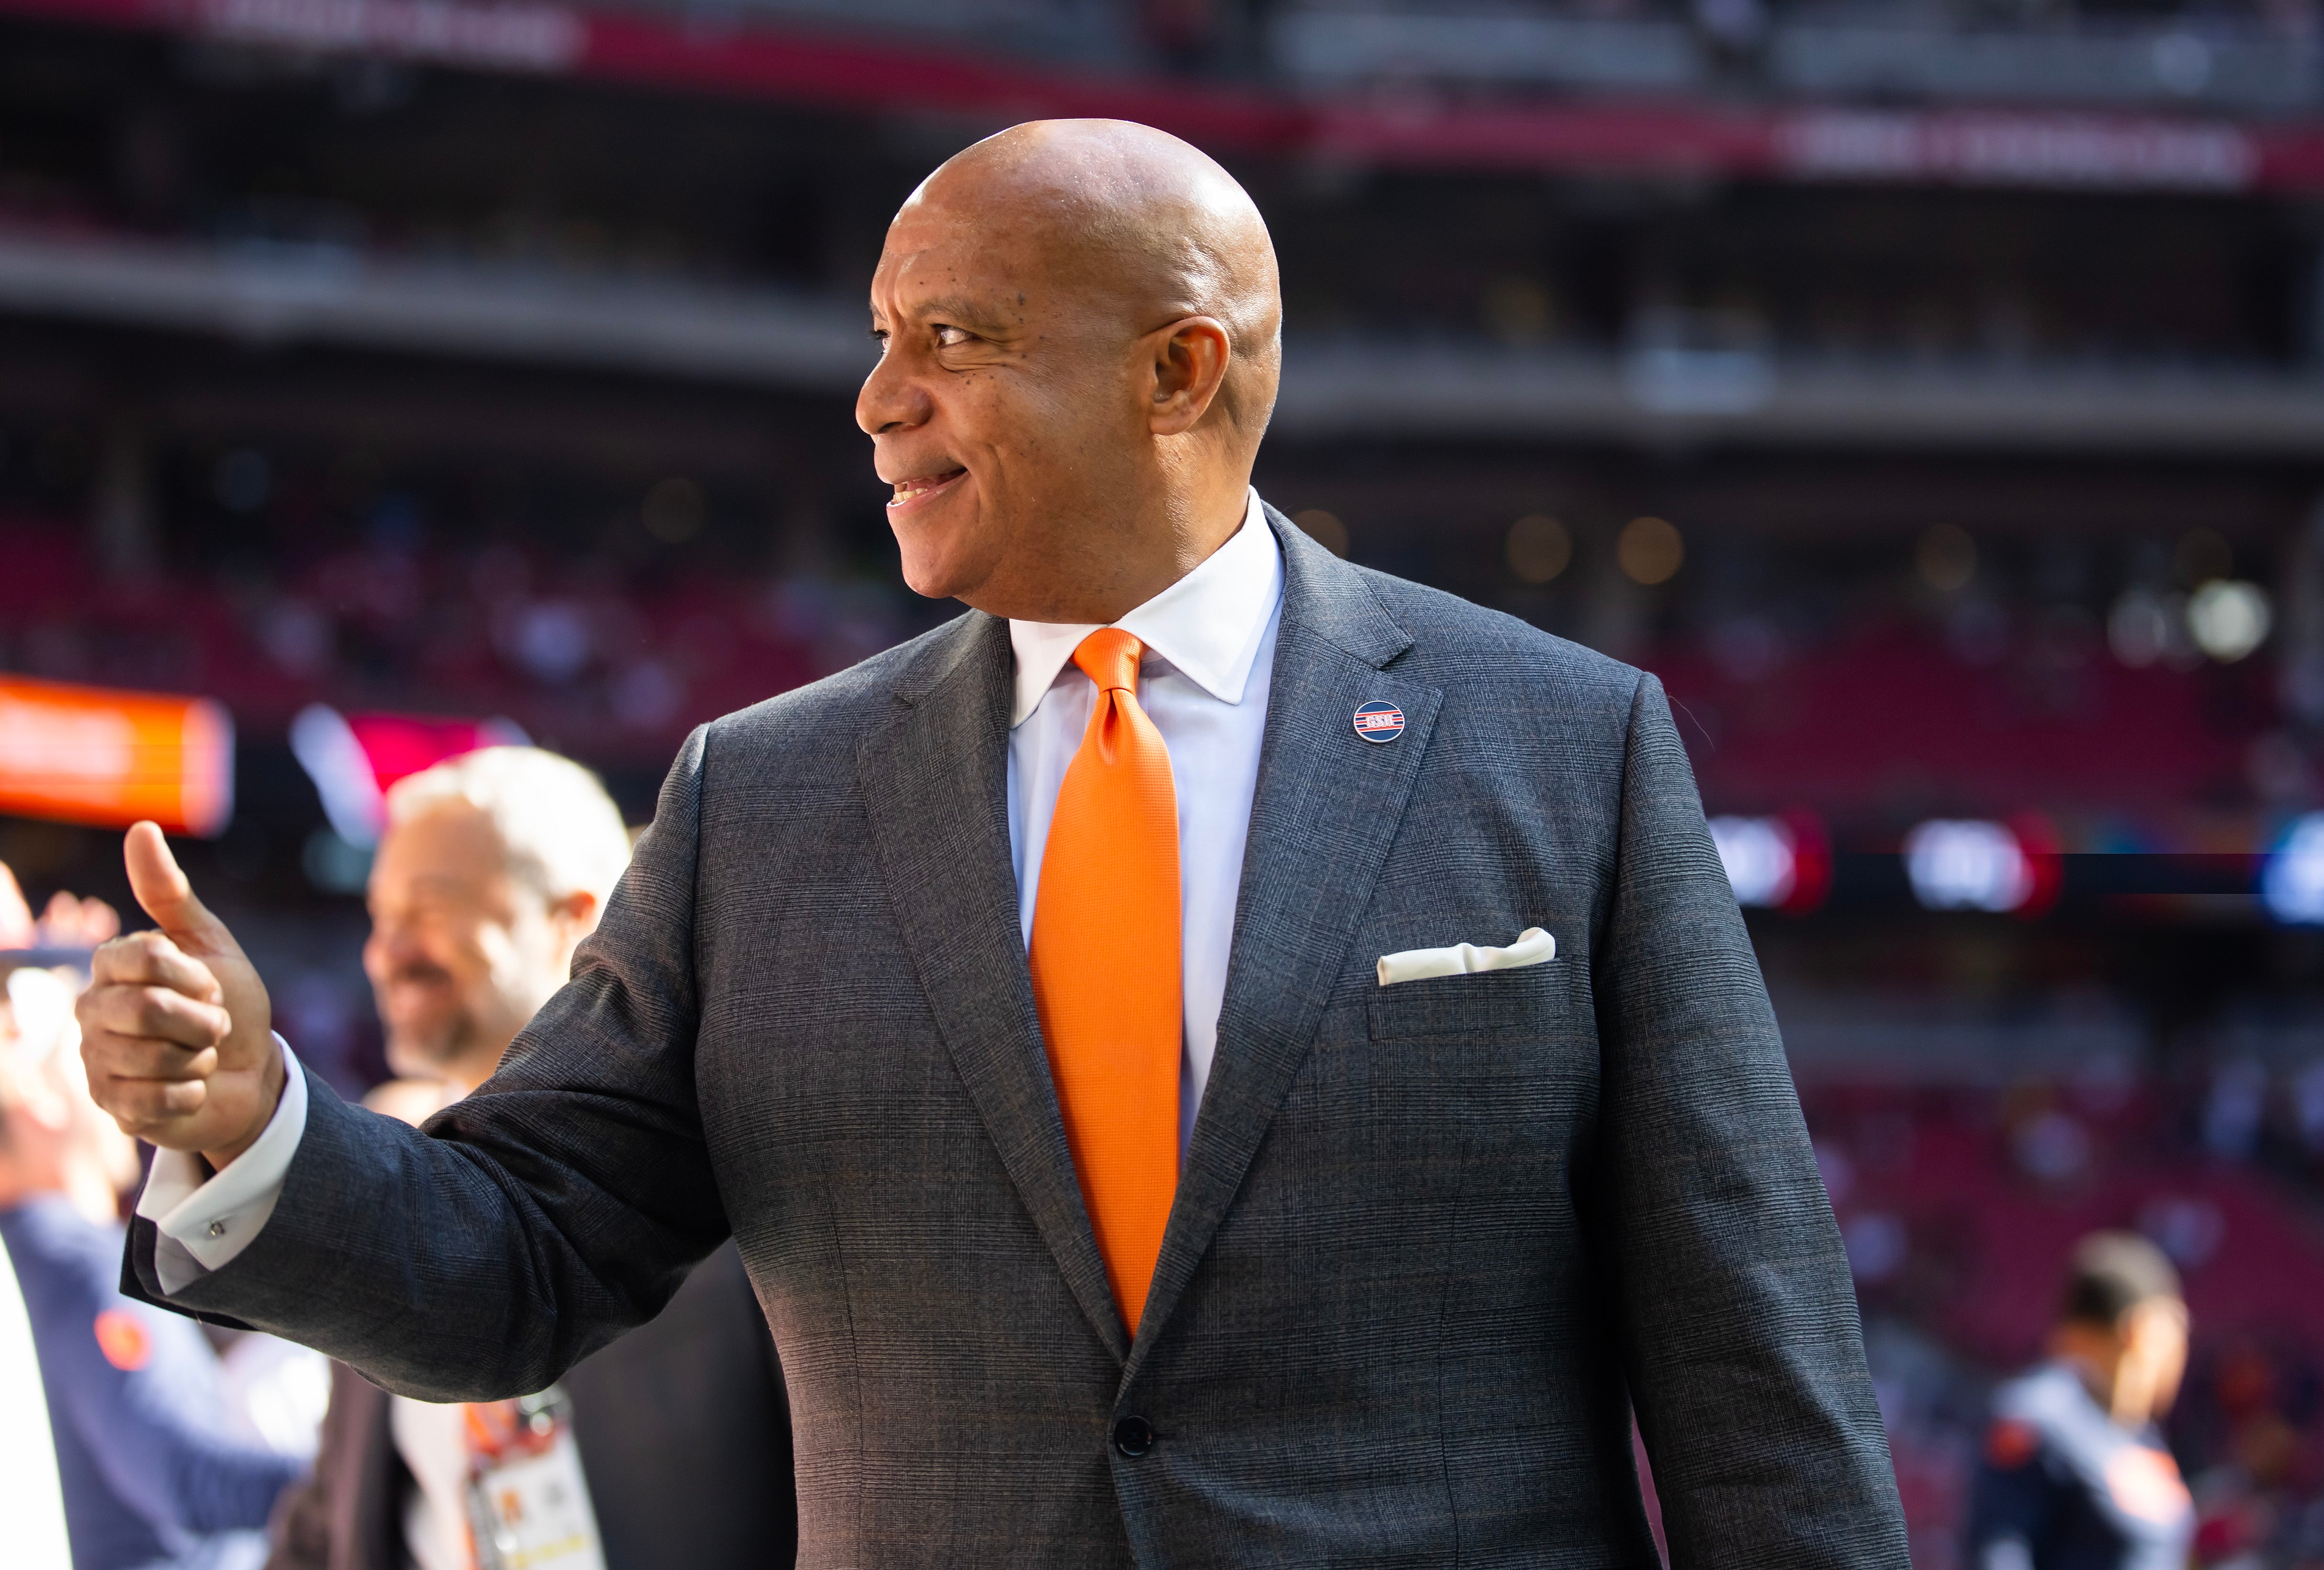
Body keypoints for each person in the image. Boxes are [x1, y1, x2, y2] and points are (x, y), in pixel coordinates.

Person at [81, 118, 1906, 1566]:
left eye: (951, 339)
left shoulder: (1560, 745)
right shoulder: (757, 801)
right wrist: (252, 1124)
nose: (879, 400)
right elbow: (520, 1256)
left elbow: (1755, 1390)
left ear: (1175, 373)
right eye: (880, 338)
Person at [255, 747, 796, 1570]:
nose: (386, 949)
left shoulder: (742, 1205)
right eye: (378, 912)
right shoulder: (394, 1188)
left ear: (570, 919)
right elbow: (328, 1525)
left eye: (431, 908)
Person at [0, 914, 305, 1570]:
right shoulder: (71, 1259)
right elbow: (182, 1469)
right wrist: (363, 1471)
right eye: (85, 1049)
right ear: (36, 1086)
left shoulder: (36, 1257)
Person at [1966, 1231, 2195, 1570]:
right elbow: (2000, 1550)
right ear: (2141, 1329)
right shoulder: (2041, 1414)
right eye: (2178, 1327)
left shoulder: (2145, 1440)